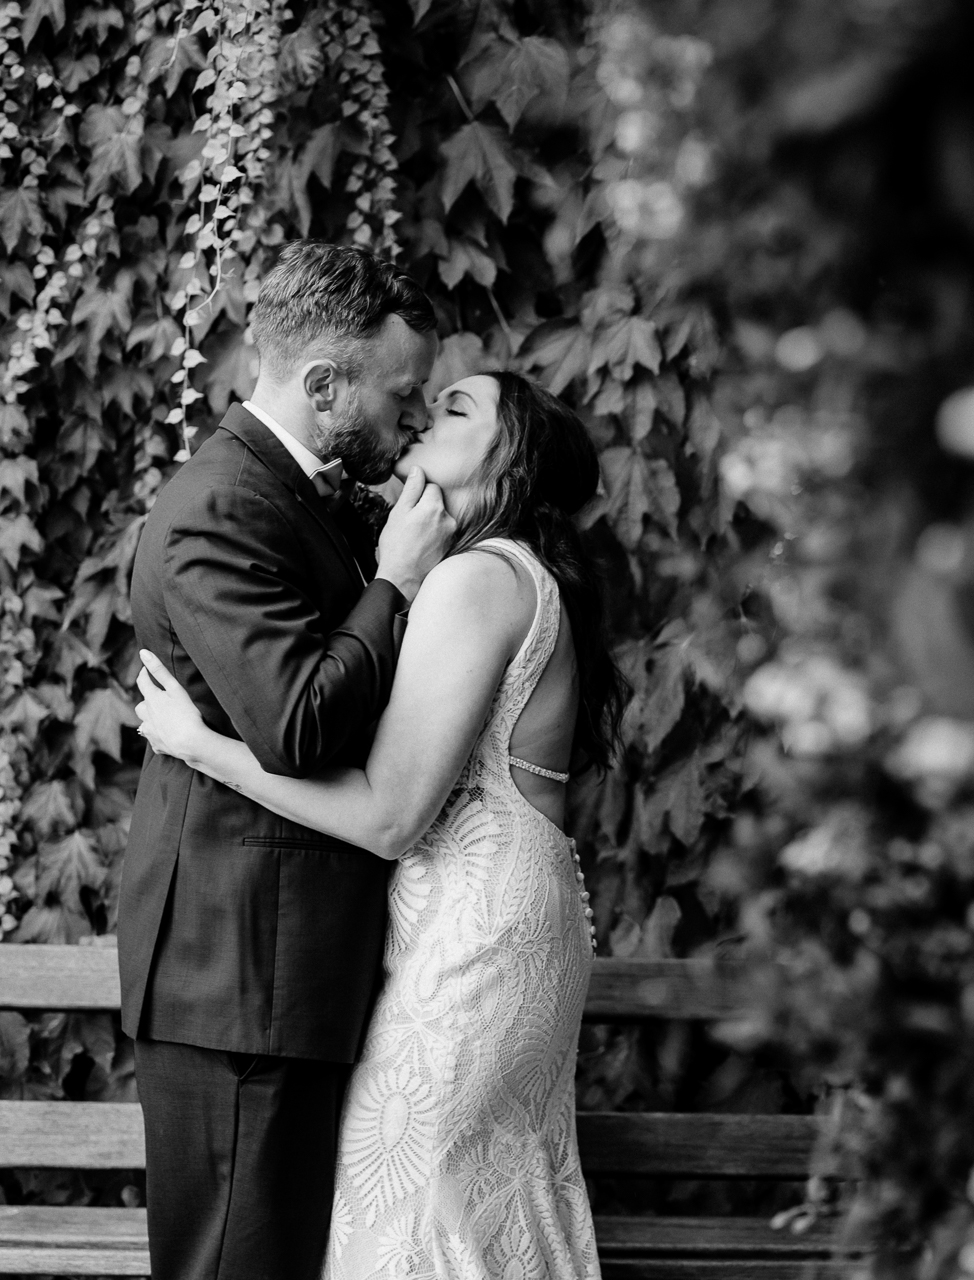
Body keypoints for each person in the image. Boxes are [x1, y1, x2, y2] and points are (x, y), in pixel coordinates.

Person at [134, 369, 626, 1280]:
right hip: (514, 913)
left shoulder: (476, 580)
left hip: (469, 940)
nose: (426, 409)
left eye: (457, 406)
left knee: (413, 1211)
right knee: (481, 1201)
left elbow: (391, 816)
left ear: (510, 454)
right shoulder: (521, 573)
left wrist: (201, 747)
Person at [120, 241, 452, 1280]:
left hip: (279, 970)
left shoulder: (292, 493)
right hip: (238, 977)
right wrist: (394, 584)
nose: (413, 421)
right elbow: (300, 725)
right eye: (402, 394)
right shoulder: (219, 507)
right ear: (322, 384)